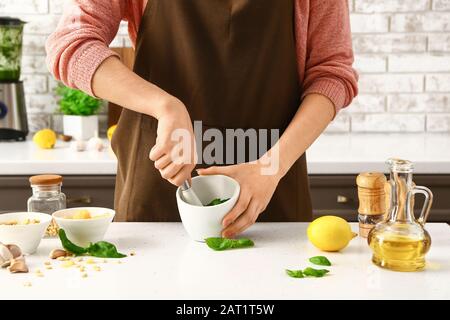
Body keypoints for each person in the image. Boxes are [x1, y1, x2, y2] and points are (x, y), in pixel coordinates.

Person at [46, 0, 358, 238]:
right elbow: (73, 44)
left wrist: (269, 168)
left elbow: (331, 74)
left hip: (270, 180)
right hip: (158, 181)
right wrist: (164, 105)